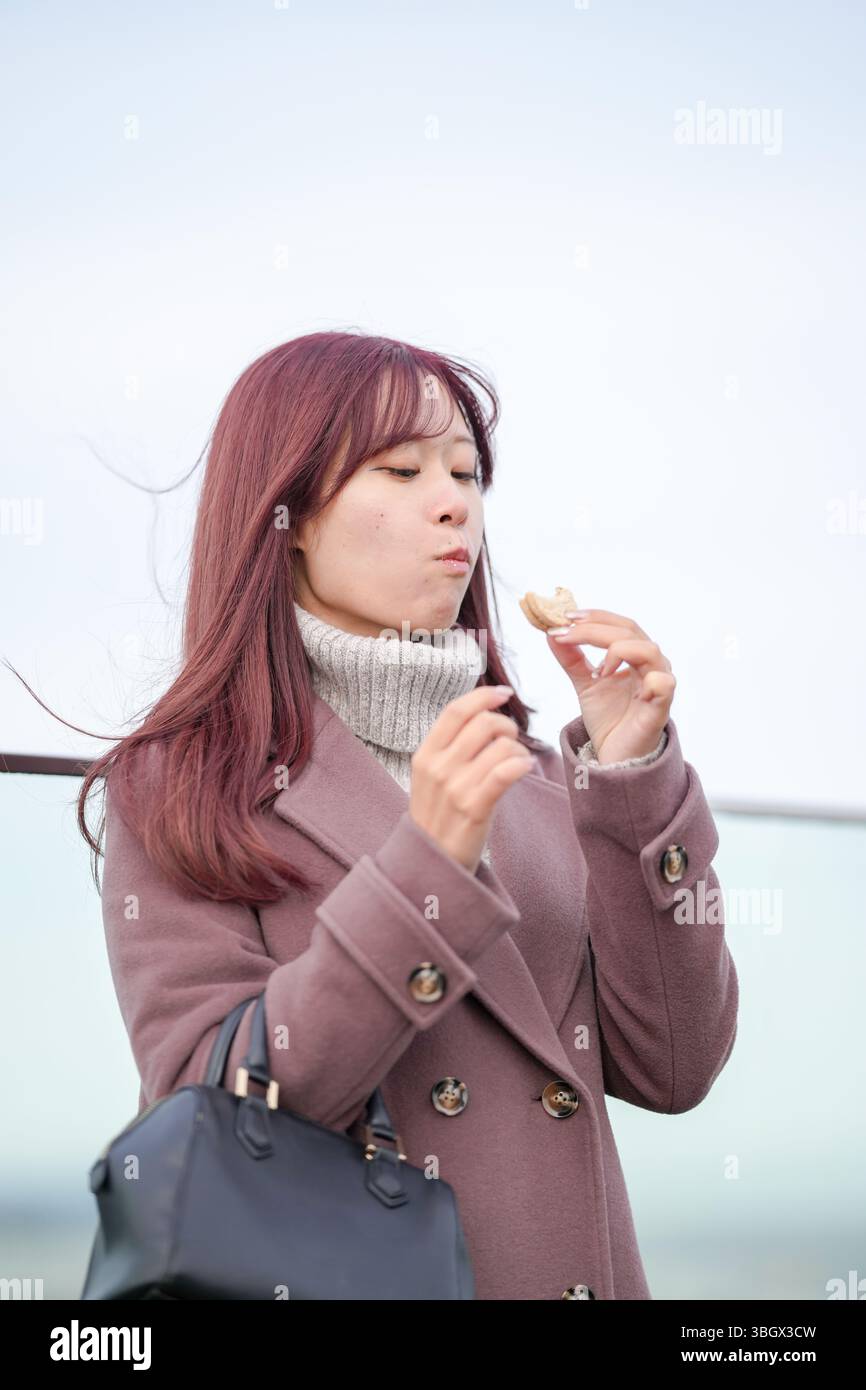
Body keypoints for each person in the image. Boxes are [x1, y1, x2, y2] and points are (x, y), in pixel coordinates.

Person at [78, 330, 738, 1300]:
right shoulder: (181, 787)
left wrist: (633, 779)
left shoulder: (536, 775)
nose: (452, 503)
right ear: (287, 512)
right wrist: (423, 864)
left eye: (465, 471)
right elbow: (212, 1110)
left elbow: (675, 1065)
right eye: (400, 468)